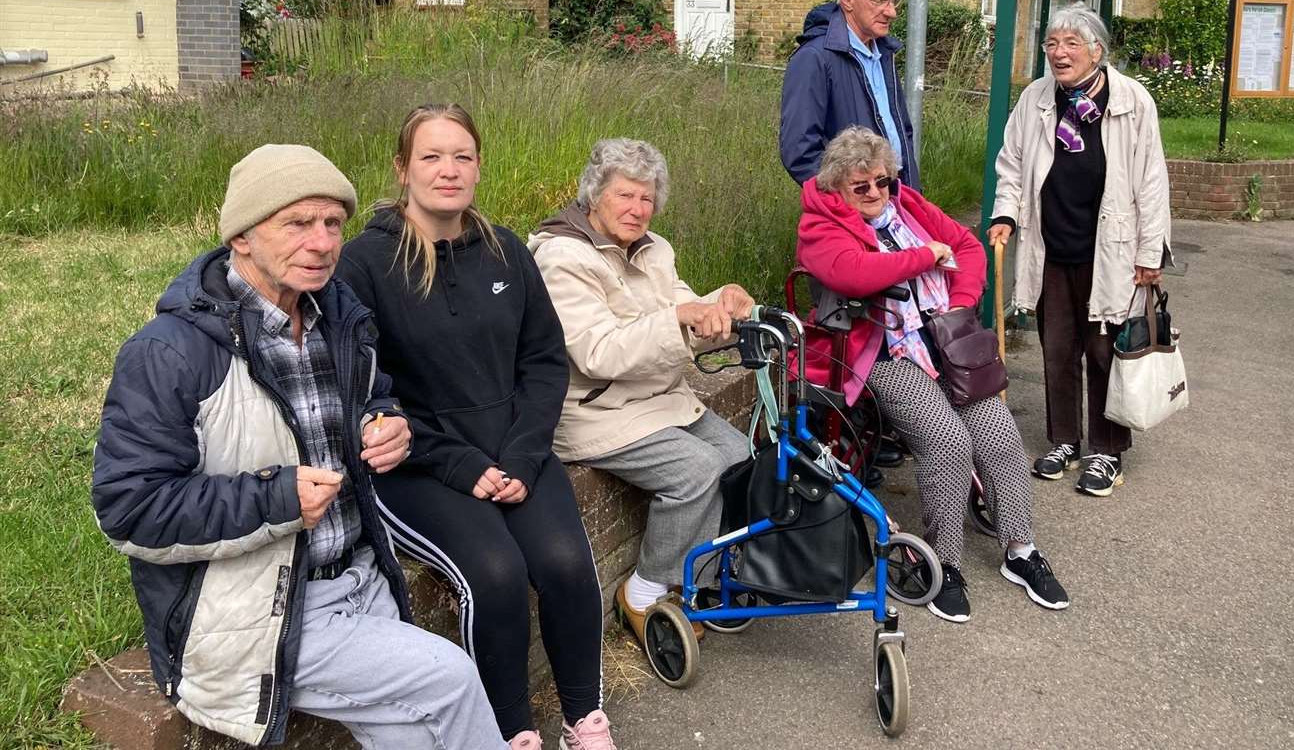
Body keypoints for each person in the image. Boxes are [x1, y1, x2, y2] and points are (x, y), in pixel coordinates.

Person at [92, 144, 504, 749]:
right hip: (263, 613)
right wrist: (276, 497)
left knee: (415, 733)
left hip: (361, 578)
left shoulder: (338, 314)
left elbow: (375, 395)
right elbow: (128, 509)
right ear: (242, 237)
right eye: (297, 223)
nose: (321, 243)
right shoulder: (169, 353)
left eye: (333, 223)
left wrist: (386, 423)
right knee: (450, 681)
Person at [336, 105, 615, 750]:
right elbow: (369, 389)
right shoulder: (366, 264)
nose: (448, 170)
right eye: (431, 156)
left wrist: (521, 456)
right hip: (421, 465)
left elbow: (544, 360)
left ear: (479, 166)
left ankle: (585, 719)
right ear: (403, 169)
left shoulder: (505, 251)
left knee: (567, 561)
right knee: (494, 572)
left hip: (513, 447)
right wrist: (460, 465)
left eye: (462, 156)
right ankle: (510, 730)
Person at [795, 126, 1070, 623]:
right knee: (946, 441)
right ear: (838, 187)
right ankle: (943, 561)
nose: (877, 193)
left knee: (1000, 436)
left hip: (944, 341)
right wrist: (925, 255)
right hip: (880, 351)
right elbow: (852, 271)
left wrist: (959, 306)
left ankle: (1020, 548)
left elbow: (965, 247)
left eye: (883, 181)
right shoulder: (820, 224)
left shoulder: (910, 206)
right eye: (862, 187)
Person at [527, 138, 754, 640]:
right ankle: (644, 590)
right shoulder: (561, 258)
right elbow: (599, 353)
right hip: (595, 410)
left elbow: (682, 304)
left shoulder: (654, 249)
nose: (638, 209)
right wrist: (681, 318)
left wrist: (722, 302)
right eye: (625, 195)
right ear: (594, 195)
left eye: (647, 198)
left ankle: (700, 578)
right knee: (696, 471)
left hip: (657, 399)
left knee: (738, 455)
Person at [988, 2, 1171, 498]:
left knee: (1104, 350)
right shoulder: (1036, 98)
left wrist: (1150, 253)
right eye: (1051, 44)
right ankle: (1064, 440)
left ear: (1096, 51)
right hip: (1052, 245)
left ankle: (1107, 451)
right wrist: (1005, 213)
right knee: (1057, 349)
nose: (1059, 53)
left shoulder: (1132, 100)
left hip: (1109, 249)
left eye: (1071, 44)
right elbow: (1012, 162)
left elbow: (1152, 180)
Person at [780, 0, 919, 190]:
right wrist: (848, 198)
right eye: (880, 0)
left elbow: (902, 131)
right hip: (853, 205)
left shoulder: (884, 52)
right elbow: (799, 150)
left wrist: (912, 191)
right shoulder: (814, 57)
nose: (891, 12)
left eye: (893, 1)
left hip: (896, 195)